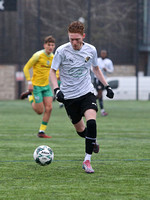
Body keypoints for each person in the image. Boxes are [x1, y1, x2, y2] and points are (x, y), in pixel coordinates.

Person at [50, 21, 114, 173]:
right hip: (69, 97)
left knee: (92, 122)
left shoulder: (91, 50)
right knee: (81, 130)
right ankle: (92, 141)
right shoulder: (61, 51)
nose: (74, 42)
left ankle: (87, 160)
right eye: (71, 39)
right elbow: (52, 71)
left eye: (77, 39)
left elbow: (96, 69)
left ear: (83, 36)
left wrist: (107, 86)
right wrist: (56, 90)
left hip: (86, 92)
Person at [20, 35, 55, 138]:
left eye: (52, 45)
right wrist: (29, 82)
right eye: (49, 45)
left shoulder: (53, 57)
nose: (51, 47)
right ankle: (30, 97)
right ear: (44, 45)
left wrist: (58, 76)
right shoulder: (38, 55)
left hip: (46, 86)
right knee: (39, 111)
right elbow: (26, 68)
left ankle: (41, 132)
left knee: (49, 108)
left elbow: (55, 70)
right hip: (36, 86)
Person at [93, 50, 114, 116]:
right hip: (97, 79)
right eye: (102, 53)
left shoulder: (109, 61)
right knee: (100, 94)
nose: (103, 54)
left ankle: (101, 110)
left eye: (104, 53)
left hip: (103, 80)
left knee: (100, 96)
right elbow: (92, 68)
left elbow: (111, 70)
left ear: (106, 54)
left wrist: (106, 70)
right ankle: (102, 111)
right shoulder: (97, 60)